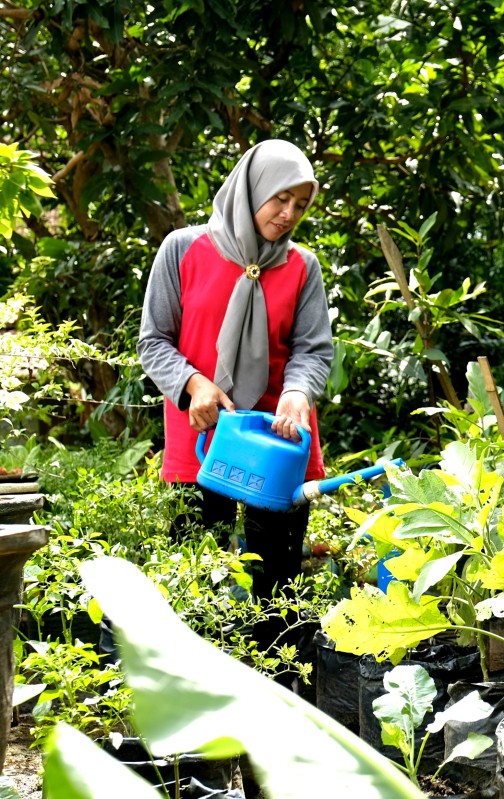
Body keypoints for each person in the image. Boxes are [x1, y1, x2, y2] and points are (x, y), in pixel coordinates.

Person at [137, 139, 333, 663]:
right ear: (252, 190)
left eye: (301, 204)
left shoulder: (301, 267)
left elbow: (312, 350)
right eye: (280, 200)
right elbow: (152, 340)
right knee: (196, 589)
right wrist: (194, 385)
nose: (289, 214)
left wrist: (297, 392)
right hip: (200, 445)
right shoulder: (183, 249)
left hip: (277, 445)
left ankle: (274, 715)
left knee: (278, 598)